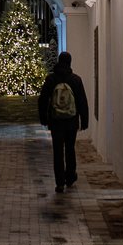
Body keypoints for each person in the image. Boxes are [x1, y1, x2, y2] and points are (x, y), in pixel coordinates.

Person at [37, 51, 88, 192]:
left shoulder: (51, 79)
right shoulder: (76, 80)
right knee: (70, 149)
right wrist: (84, 120)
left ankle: (59, 182)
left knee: (58, 151)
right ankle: (70, 177)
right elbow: (82, 101)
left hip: (56, 121)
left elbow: (42, 99)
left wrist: (43, 118)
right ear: (70, 62)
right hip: (71, 121)